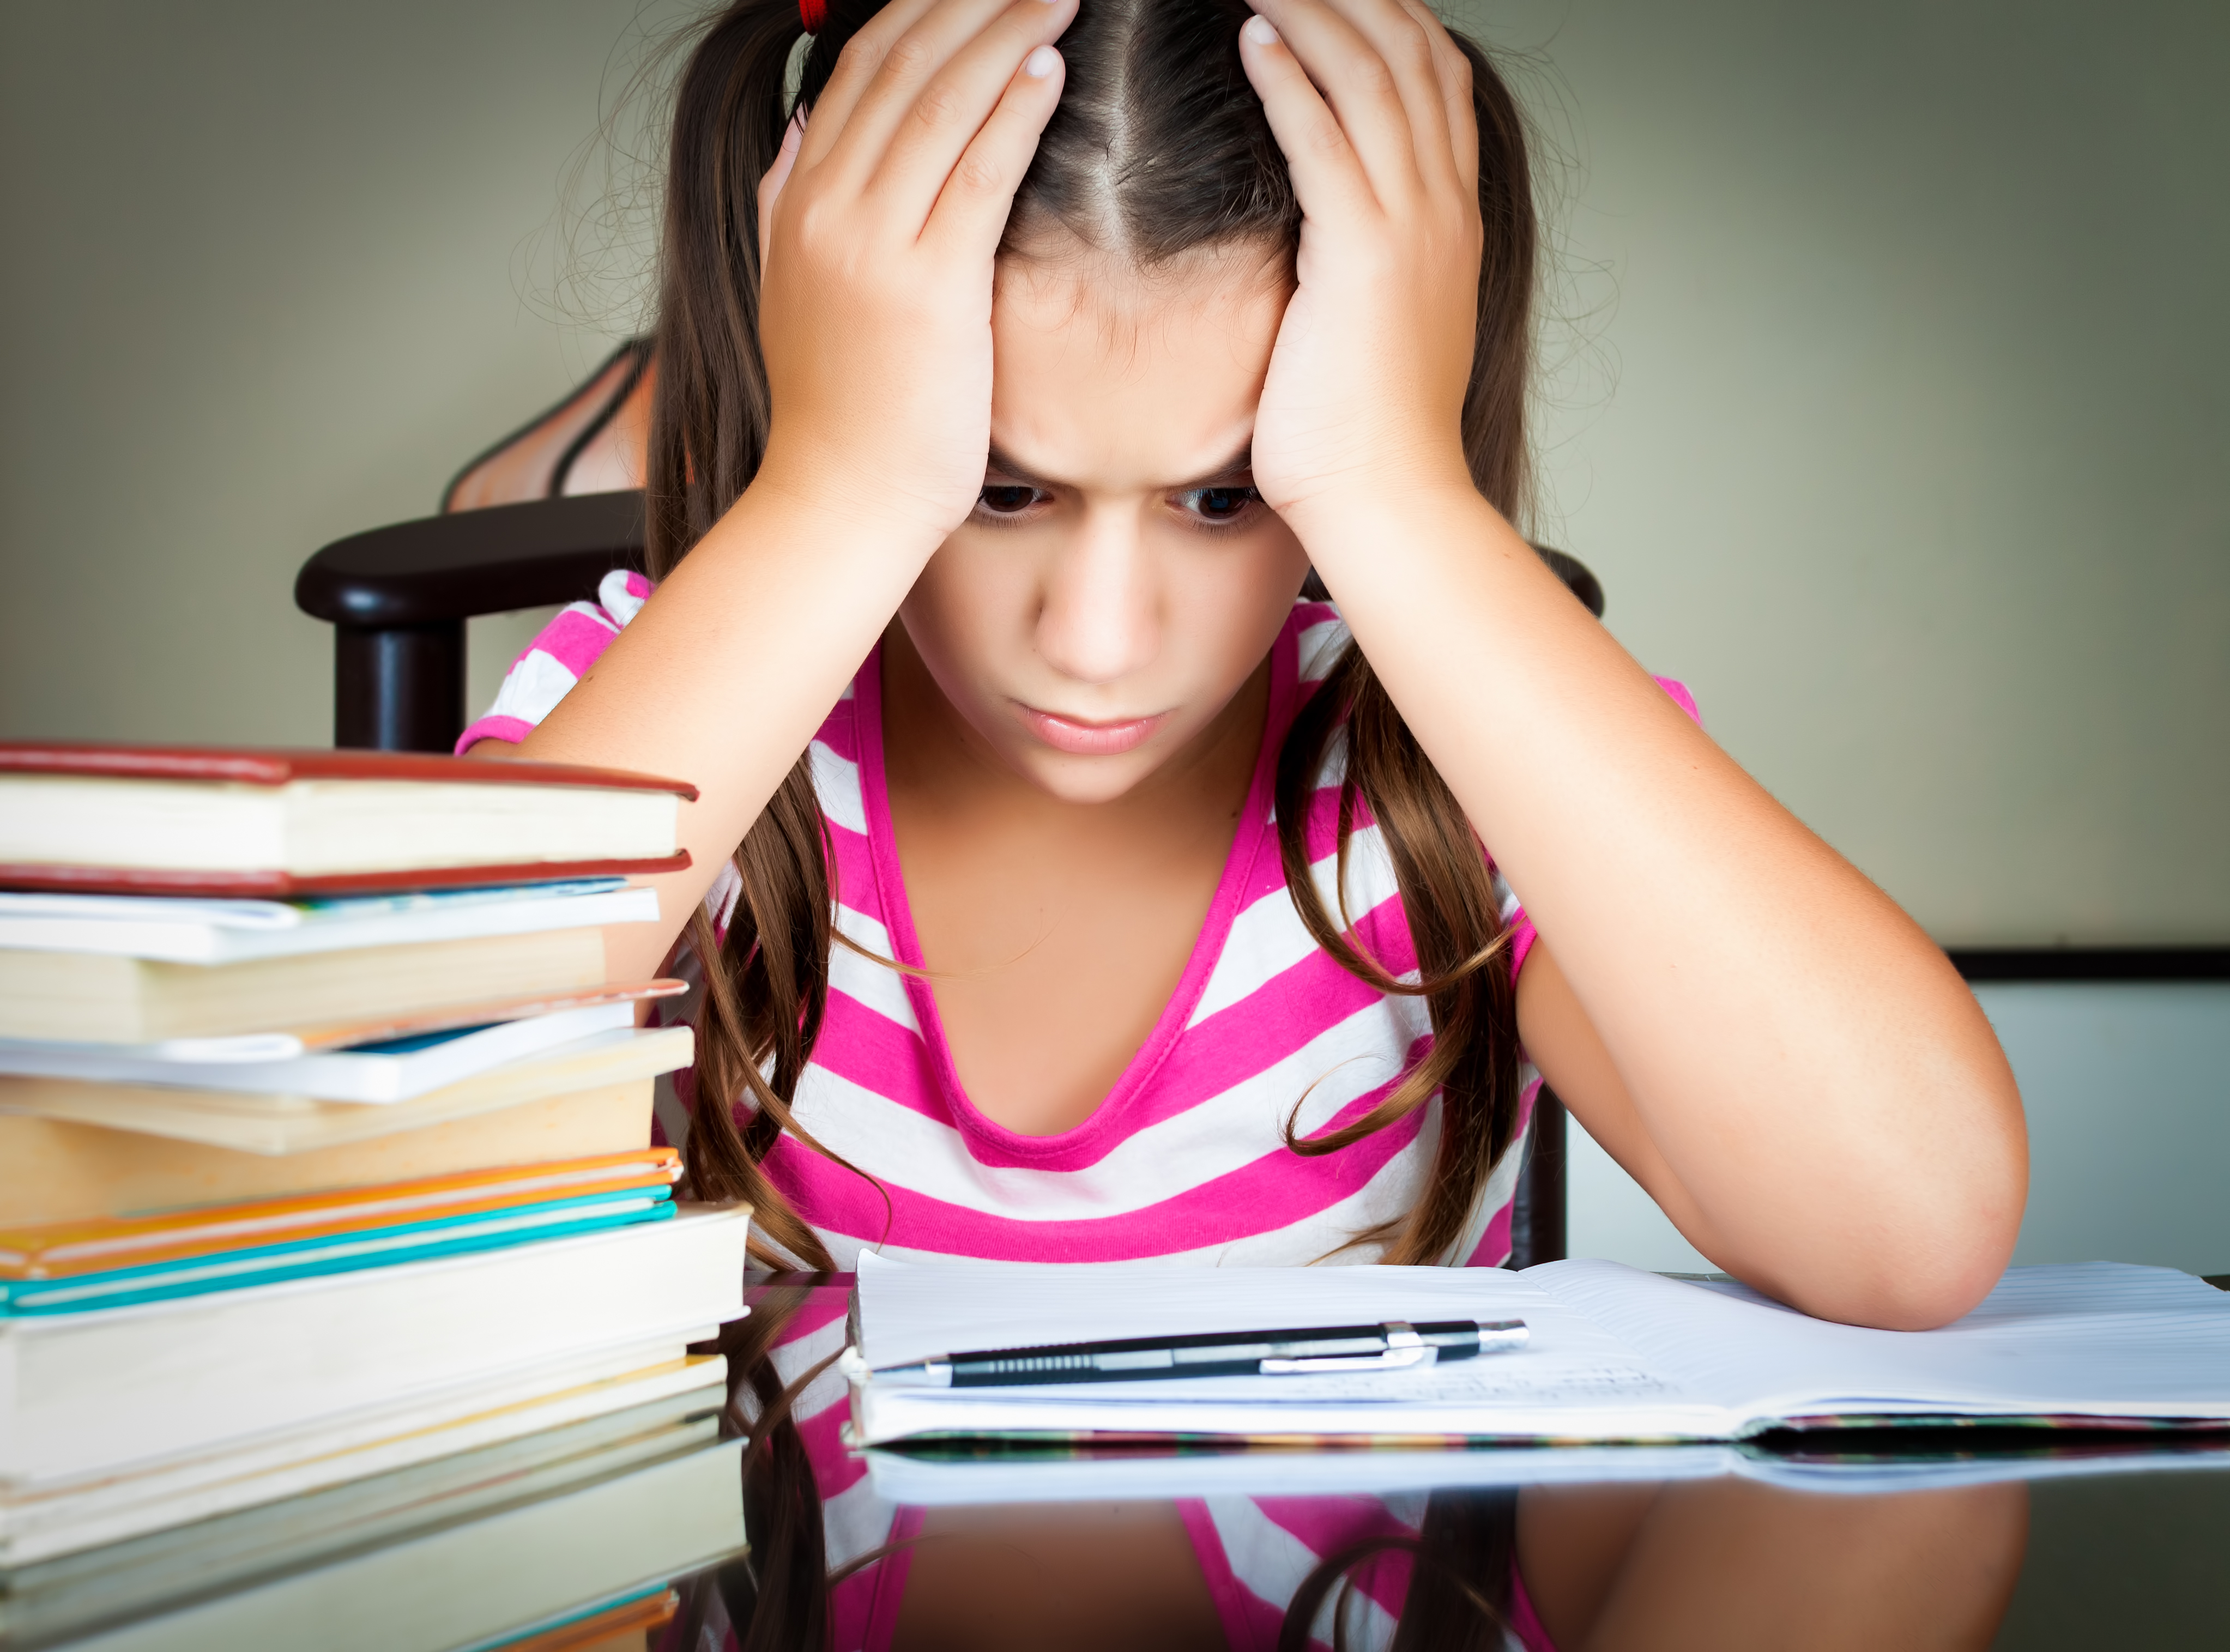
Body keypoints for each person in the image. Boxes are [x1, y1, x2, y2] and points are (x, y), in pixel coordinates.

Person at [466, 0, 2029, 1640]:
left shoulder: (1441, 763)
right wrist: (833, 485)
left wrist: (1403, 499)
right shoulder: (691, 721)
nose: (1097, 638)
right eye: (997, 486)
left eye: (1225, 497)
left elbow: (1905, 1233)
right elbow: (388, 1109)